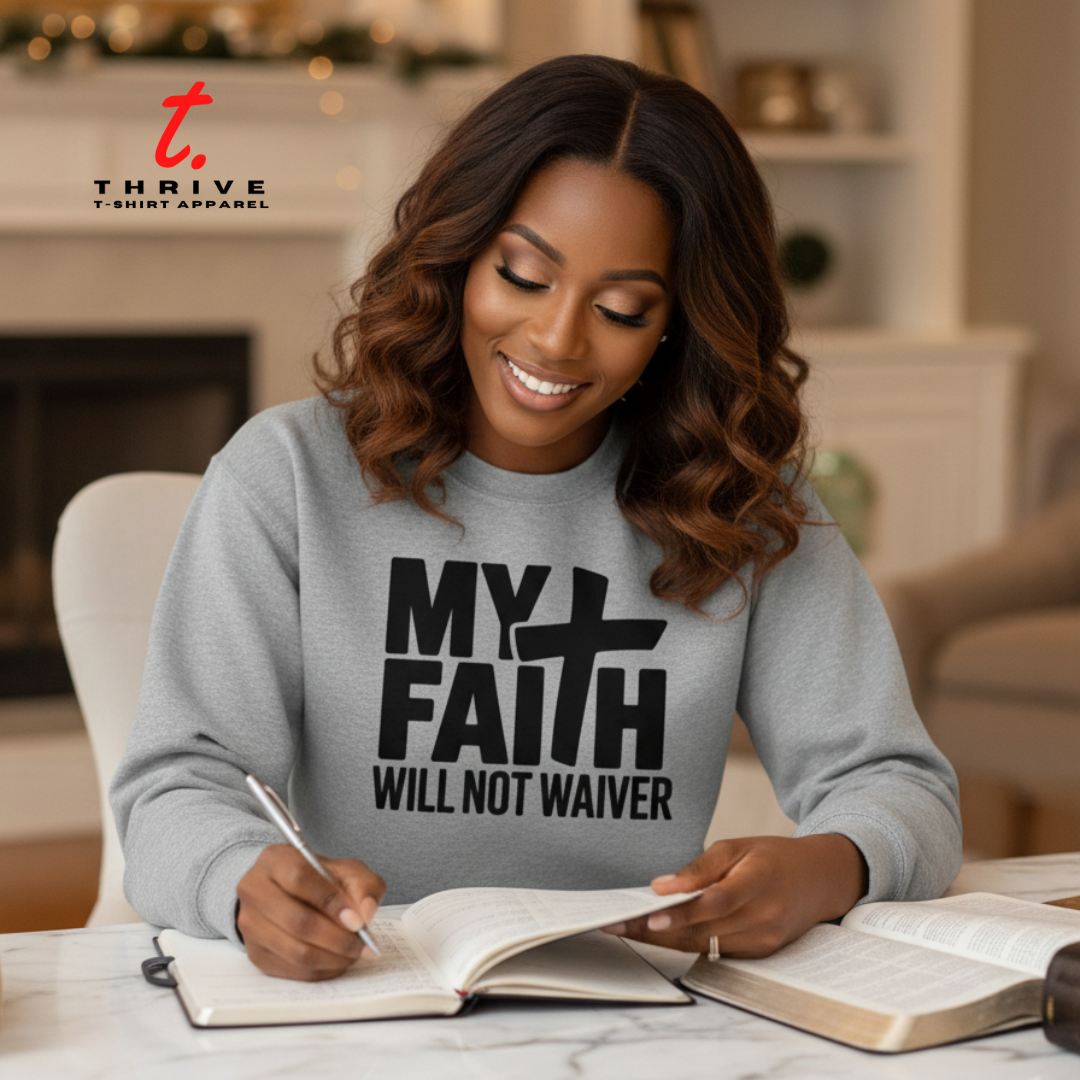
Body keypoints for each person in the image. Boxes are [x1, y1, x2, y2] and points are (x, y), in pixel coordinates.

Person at [110, 54, 962, 982]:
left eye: (622, 309)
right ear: (457, 254)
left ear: (679, 324)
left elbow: (900, 786)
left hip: (639, 1006)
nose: (557, 340)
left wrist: (827, 868)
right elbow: (176, 787)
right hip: (371, 993)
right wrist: (241, 883)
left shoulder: (738, 500)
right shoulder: (288, 475)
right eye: (522, 276)